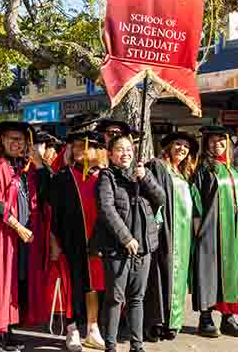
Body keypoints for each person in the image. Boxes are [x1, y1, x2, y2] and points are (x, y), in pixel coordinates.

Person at [0, 121, 52, 350]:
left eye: (19, 139)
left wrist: (39, 163)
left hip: (26, 238)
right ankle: (1, 334)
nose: (14, 143)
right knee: (3, 282)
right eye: (9, 138)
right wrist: (18, 227)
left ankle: (9, 330)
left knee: (19, 282)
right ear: (2, 141)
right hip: (6, 237)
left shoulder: (25, 168)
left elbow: (48, 190)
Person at [191, 126, 238, 339]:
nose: (217, 145)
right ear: (206, 144)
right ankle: (205, 318)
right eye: (212, 141)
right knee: (210, 271)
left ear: (229, 143)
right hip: (212, 230)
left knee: (235, 271)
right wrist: (197, 226)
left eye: (221, 141)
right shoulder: (204, 170)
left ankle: (228, 318)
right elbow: (195, 198)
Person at [95, 135, 166, 352]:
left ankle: (137, 344)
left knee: (137, 297)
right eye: (119, 149)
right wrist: (126, 238)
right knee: (115, 298)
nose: (125, 153)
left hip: (143, 247)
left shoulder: (141, 173)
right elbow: (107, 209)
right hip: (117, 248)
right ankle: (110, 345)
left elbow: (161, 198)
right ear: (110, 154)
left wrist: (145, 179)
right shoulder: (107, 177)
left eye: (128, 149)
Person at [51, 130, 107, 352]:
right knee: (72, 286)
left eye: (85, 146)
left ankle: (93, 330)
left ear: (96, 150)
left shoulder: (103, 176)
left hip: (97, 242)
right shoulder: (64, 176)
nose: (79, 150)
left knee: (93, 285)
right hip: (70, 241)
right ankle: (72, 329)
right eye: (75, 147)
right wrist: (55, 242)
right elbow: (54, 214)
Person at [144, 132, 200, 340]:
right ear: (167, 147)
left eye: (186, 147)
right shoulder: (157, 166)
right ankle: (154, 322)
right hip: (165, 231)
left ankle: (172, 322)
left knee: (178, 279)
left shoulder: (182, 173)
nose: (182, 149)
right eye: (178, 144)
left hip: (183, 236)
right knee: (159, 275)